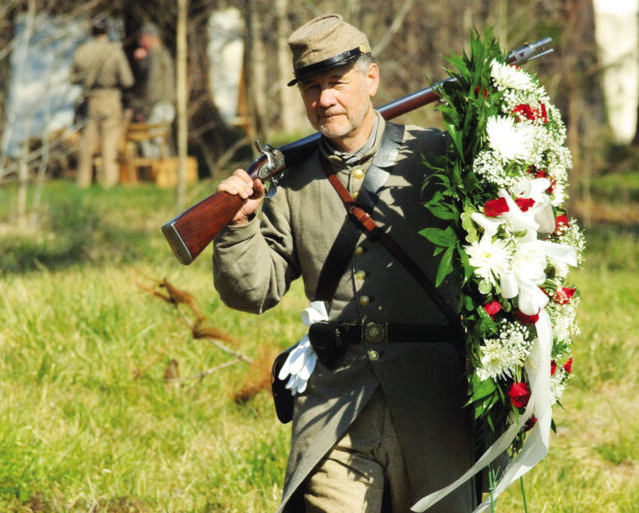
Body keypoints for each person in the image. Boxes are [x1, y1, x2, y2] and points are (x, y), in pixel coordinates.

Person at [213, 14, 478, 513]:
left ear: (370, 79)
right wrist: (239, 225)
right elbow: (252, 292)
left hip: (433, 404)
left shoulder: (438, 156)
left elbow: (510, 240)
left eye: (337, 82)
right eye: (311, 88)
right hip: (336, 404)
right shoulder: (289, 183)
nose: (324, 99)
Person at [70, 19, 134, 188]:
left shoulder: (82, 51)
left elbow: (72, 78)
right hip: (110, 99)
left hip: (90, 100)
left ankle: (82, 182)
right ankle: (109, 182)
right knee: (109, 142)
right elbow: (127, 80)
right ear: (107, 32)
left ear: (92, 32)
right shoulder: (114, 52)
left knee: (87, 143)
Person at [131, 23, 176, 158]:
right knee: (160, 140)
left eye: (142, 38)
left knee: (153, 140)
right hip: (165, 104)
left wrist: (143, 109)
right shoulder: (162, 54)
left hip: (157, 105)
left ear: (151, 38)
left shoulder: (155, 56)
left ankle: (156, 175)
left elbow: (152, 84)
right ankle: (163, 174)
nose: (140, 41)